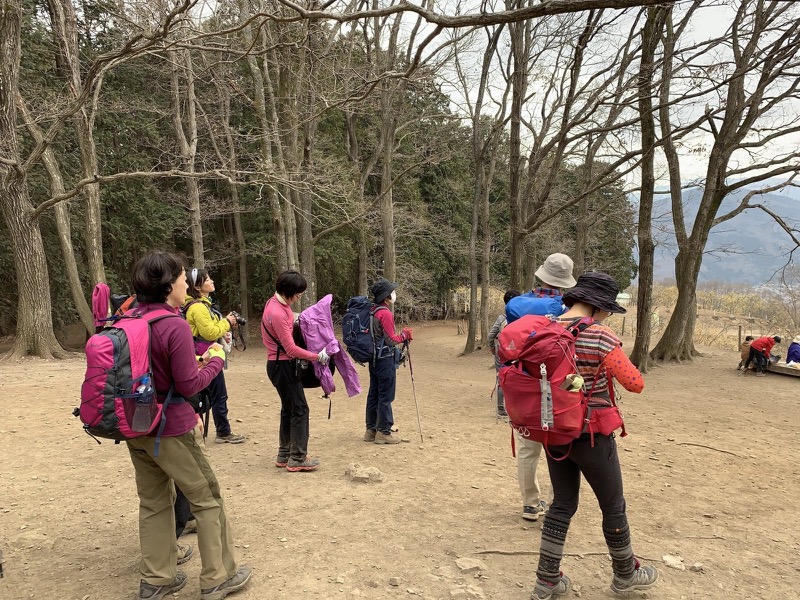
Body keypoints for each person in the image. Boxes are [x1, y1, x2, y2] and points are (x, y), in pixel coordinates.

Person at [126, 251, 251, 600]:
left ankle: (156, 579)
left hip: (137, 425)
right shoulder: (173, 324)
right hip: (172, 428)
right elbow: (189, 384)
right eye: (182, 277)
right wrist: (215, 359)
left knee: (153, 501)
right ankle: (219, 577)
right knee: (207, 497)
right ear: (168, 286)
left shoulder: (130, 319)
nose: (186, 283)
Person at [532, 272, 657, 599]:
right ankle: (625, 575)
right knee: (613, 506)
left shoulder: (549, 328)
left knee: (561, 503)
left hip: (554, 431)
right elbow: (635, 382)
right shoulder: (600, 334)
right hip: (591, 435)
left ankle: (546, 581)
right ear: (599, 307)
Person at [512, 254, 576, 522]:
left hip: (524, 382)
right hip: (559, 385)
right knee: (559, 447)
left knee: (528, 448)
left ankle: (529, 503)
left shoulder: (517, 306)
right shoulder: (569, 310)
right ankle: (556, 504)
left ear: (540, 276)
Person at [261, 270, 329, 472]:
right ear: (289, 291)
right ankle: (298, 457)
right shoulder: (278, 313)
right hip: (284, 366)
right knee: (300, 409)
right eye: (298, 294)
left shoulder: (273, 304)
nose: (299, 297)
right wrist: (317, 356)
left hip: (276, 365)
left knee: (289, 408)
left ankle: (284, 453)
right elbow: (291, 349)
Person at [183, 268, 246, 444]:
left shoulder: (200, 305)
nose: (211, 281)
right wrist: (227, 322)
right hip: (207, 357)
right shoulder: (198, 307)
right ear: (197, 287)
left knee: (205, 395)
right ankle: (223, 432)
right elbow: (210, 333)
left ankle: (208, 429)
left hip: (200, 355)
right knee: (218, 394)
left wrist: (224, 323)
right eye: (207, 279)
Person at [364, 278, 413, 445]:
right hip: (385, 358)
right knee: (386, 395)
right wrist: (404, 336)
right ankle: (384, 432)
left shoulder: (372, 310)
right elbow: (392, 340)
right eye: (391, 292)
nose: (394, 294)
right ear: (386, 297)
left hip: (374, 359)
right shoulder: (385, 313)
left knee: (374, 393)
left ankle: (371, 429)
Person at [488, 289, 521, 418]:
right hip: (518, 350)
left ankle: (501, 409)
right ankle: (517, 407)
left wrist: (492, 348)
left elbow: (491, 335)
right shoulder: (522, 316)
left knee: (501, 377)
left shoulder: (502, 318)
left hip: (501, 350)